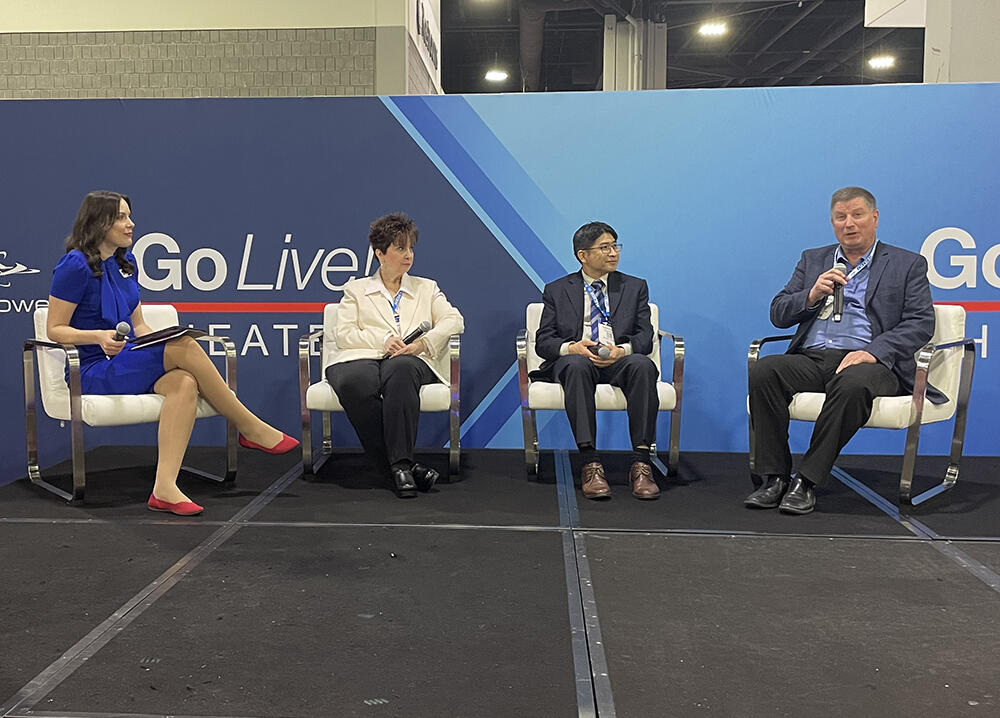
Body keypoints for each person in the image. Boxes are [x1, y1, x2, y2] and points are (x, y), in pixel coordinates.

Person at [47, 191, 299, 516]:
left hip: (124, 359)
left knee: (184, 382)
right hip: (90, 369)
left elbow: (139, 326)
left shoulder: (125, 263)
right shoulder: (75, 266)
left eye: (129, 215)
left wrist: (159, 341)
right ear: (99, 222)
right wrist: (95, 336)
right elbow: (55, 329)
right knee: (186, 346)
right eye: (121, 217)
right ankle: (248, 426)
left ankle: (164, 488)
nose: (130, 223)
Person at [745, 186, 943, 515]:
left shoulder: (907, 264)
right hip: (812, 358)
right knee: (765, 370)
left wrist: (875, 351)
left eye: (857, 215)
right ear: (832, 222)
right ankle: (775, 478)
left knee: (852, 383)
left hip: (872, 363)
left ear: (874, 218)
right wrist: (811, 295)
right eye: (840, 217)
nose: (849, 223)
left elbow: (920, 323)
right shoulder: (813, 259)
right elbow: (778, 313)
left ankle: (806, 480)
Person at [325, 213, 464, 498]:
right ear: (380, 253)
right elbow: (344, 334)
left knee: (401, 369)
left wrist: (423, 344)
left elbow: (454, 320)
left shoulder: (426, 288)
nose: (408, 255)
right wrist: (383, 341)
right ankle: (403, 467)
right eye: (400, 248)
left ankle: (399, 467)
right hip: (362, 356)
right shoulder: (356, 290)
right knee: (353, 382)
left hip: (410, 359)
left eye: (411, 248)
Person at [531, 221, 660, 500]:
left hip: (618, 360)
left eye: (615, 246)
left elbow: (645, 336)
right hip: (578, 361)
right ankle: (590, 463)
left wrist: (621, 350)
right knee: (576, 366)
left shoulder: (634, 286)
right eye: (605, 247)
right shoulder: (557, 289)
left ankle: (641, 464)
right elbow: (544, 341)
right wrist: (572, 348)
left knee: (642, 364)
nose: (613, 253)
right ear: (583, 255)